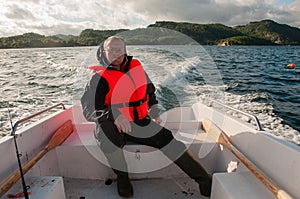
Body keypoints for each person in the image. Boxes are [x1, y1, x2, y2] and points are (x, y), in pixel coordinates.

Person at [81, 36, 212, 197]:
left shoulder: (137, 69)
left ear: (125, 51)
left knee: (166, 138)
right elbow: (89, 108)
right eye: (112, 50)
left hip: (138, 121)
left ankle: (204, 180)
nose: (116, 54)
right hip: (111, 124)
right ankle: (123, 178)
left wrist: (154, 109)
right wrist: (114, 116)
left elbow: (149, 93)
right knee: (107, 135)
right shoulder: (98, 78)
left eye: (119, 50)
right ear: (103, 52)